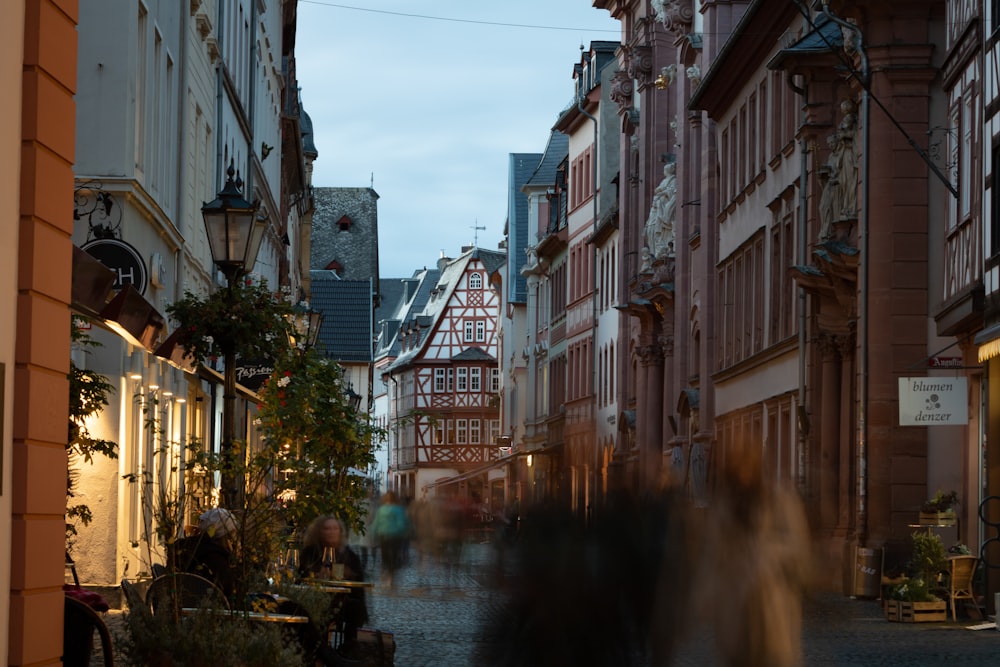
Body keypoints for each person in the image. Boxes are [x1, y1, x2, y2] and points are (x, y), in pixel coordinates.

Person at [299, 515, 369, 647]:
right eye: (327, 529)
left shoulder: (349, 555)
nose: (331, 532)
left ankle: (348, 649)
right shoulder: (310, 553)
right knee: (319, 612)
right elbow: (302, 575)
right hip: (314, 600)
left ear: (340, 531)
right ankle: (319, 650)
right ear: (319, 531)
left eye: (335, 528)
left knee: (355, 609)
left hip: (343, 603)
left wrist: (348, 575)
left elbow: (358, 583)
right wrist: (315, 576)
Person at [169, 507, 238, 600]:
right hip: (208, 608)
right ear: (225, 535)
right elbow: (229, 591)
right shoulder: (216, 558)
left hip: (177, 604)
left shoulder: (182, 547)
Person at [370, 491, 410, 587]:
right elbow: (401, 523)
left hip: (383, 534)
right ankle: (391, 575)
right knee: (394, 556)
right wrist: (404, 533)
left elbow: (376, 522)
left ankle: (386, 572)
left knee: (385, 555)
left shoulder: (381, 509)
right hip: (396, 536)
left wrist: (373, 533)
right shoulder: (398, 509)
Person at [644, 161, 677, 258]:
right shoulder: (664, 181)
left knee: (661, 227)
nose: (664, 172)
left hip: (664, 207)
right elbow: (658, 189)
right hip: (658, 207)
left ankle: (664, 247)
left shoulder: (673, 180)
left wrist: (663, 193)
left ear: (668, 170)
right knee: (651, 229)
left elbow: (672, 191)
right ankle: (658, 249)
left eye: (665, 170)